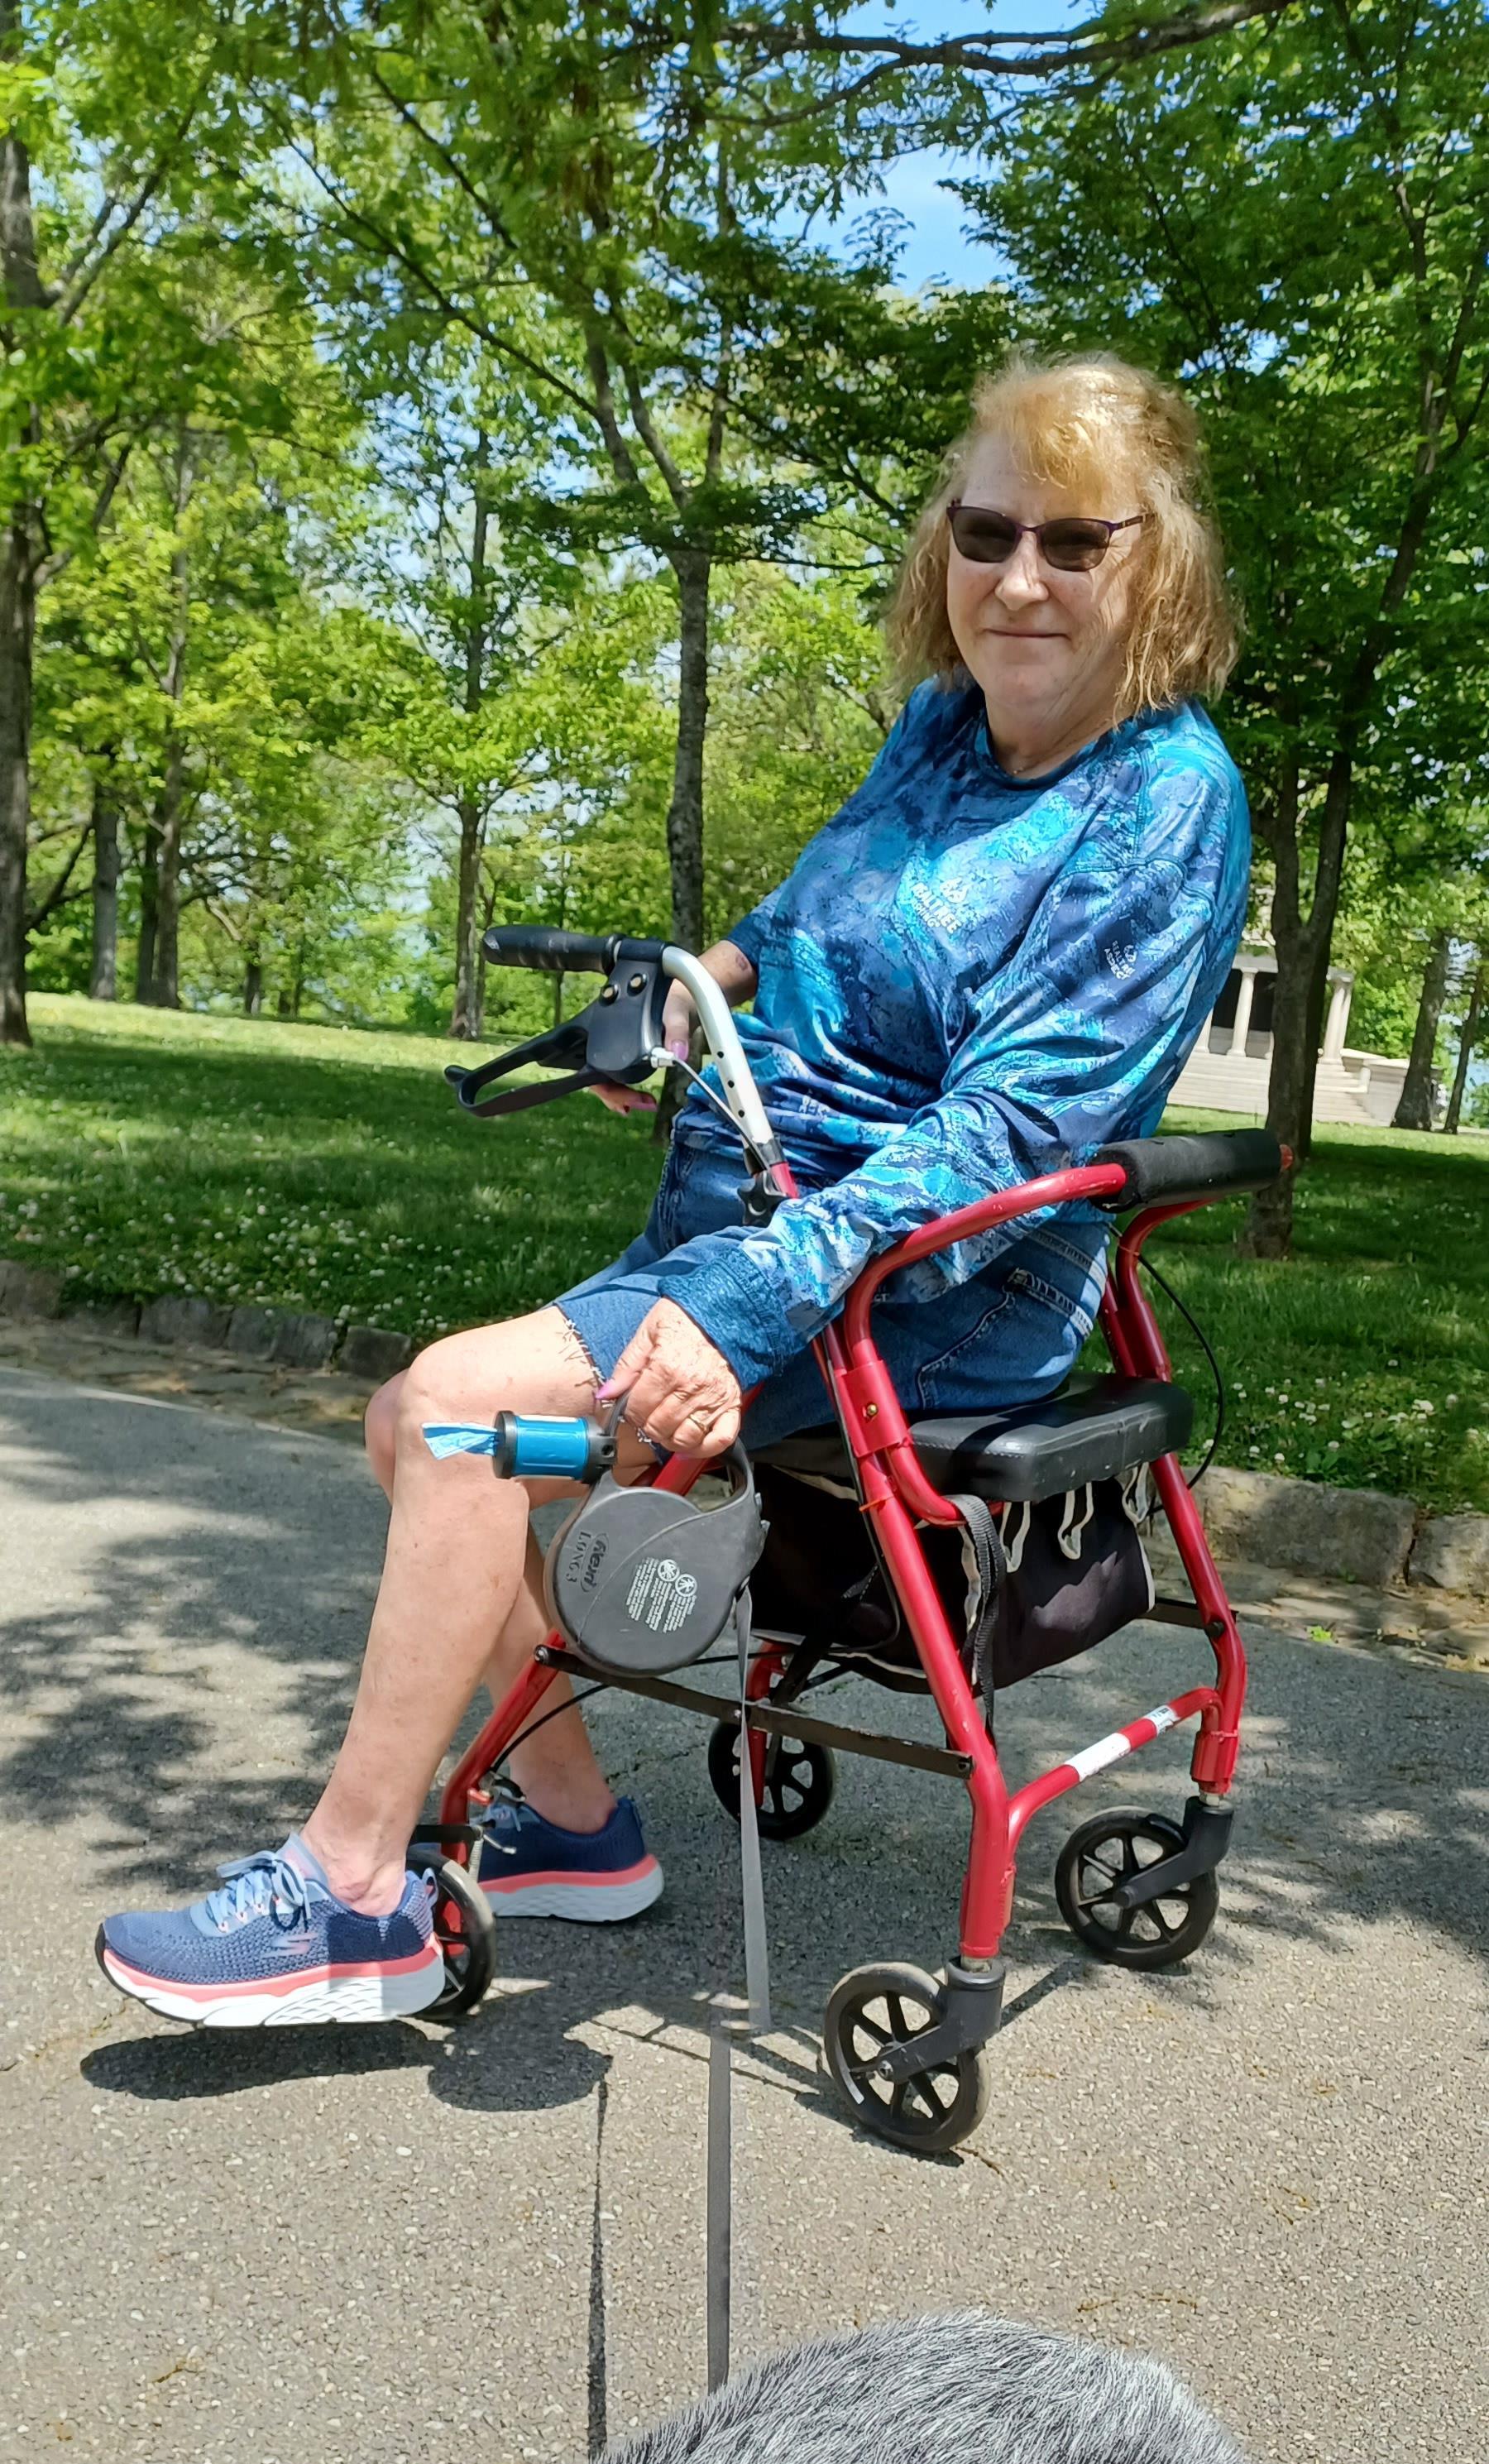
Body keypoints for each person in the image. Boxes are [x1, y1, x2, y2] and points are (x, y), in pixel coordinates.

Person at [97, 351, 1250, 2026]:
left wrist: (773, 1294)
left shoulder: (1167, 801)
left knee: (456, 1423)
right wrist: (673, 992)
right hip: (759, 1216)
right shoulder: (941, 731)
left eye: (1075, 542)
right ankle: (572, 1825)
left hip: (929, 1283)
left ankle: (356, 1891)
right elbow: (793, 929)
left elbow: (1006, 1135)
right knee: (412, 1424)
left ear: (1158, 562)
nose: (1019, 578)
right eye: (986, 529)